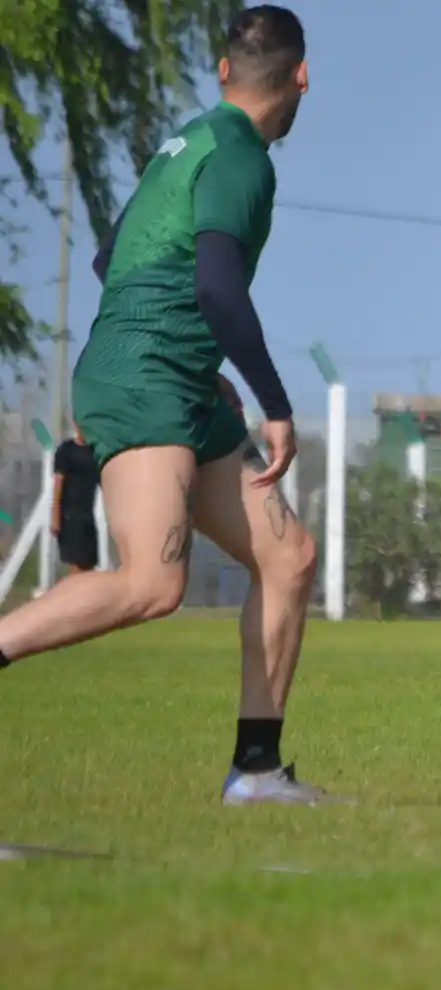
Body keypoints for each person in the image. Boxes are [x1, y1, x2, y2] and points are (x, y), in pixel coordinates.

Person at [0, 6, 327, 806]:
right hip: (150, 377)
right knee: (152, 584)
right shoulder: (242, 158)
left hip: (172, 376)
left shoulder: (186, 142)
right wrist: (273, 402)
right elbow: (215, 284)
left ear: (222, 71)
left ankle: (255, 773)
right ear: (302, 76)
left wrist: (192, 361)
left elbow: (116, 259)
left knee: (288, 559)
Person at [52, 431, 101, 575]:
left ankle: (75, 596)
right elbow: (58, 484)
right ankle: (66, 596)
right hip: (70, 516)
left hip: (88, 516)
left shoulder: (95, 452)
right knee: (76, 567)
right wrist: (55, 516)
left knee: (89, 566)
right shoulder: (66, 450)